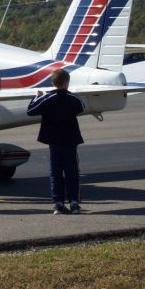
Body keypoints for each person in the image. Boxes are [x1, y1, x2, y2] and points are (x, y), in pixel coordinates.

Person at [26, 68, 85, 214]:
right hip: (70, 140)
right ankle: (74, 203)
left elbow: (30, 110)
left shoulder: (47, 99)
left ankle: (58, 203)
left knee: (55, 172)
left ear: (53, 82)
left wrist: (37, 96)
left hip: (54, 140)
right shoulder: (73, 98)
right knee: (72, 172)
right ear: (67, 82)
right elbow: (81, 107)